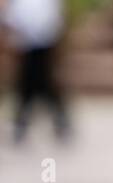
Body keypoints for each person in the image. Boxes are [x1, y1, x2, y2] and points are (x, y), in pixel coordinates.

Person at [3, 0, 68, 142]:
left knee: (39, 84)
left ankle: (59, 121)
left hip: (44, 45)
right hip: (26, 45)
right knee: (29, 85)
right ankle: (22, 124)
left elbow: (54, 20)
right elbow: (11, 19)